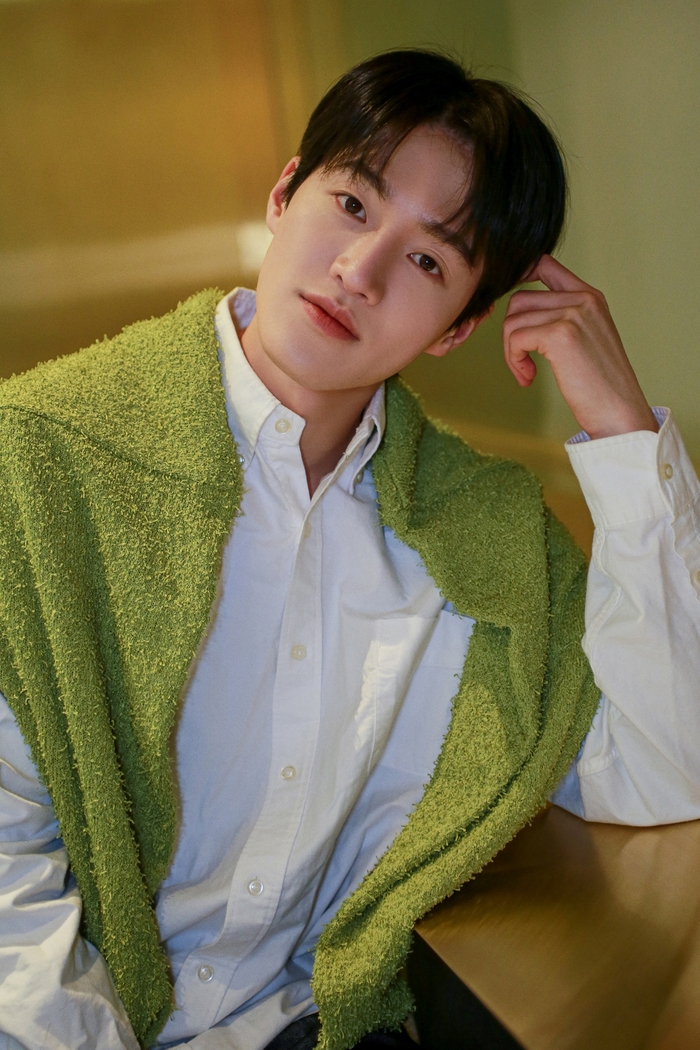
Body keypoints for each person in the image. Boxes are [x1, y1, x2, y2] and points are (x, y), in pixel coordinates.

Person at [0, 48, 698, 1050]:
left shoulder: (484, 538)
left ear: (457, 328)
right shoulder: (40, 459)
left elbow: (666, 766)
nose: (358, 273)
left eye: (427, 262)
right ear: (284, 193)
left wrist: (624, 438)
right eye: (353, 204)